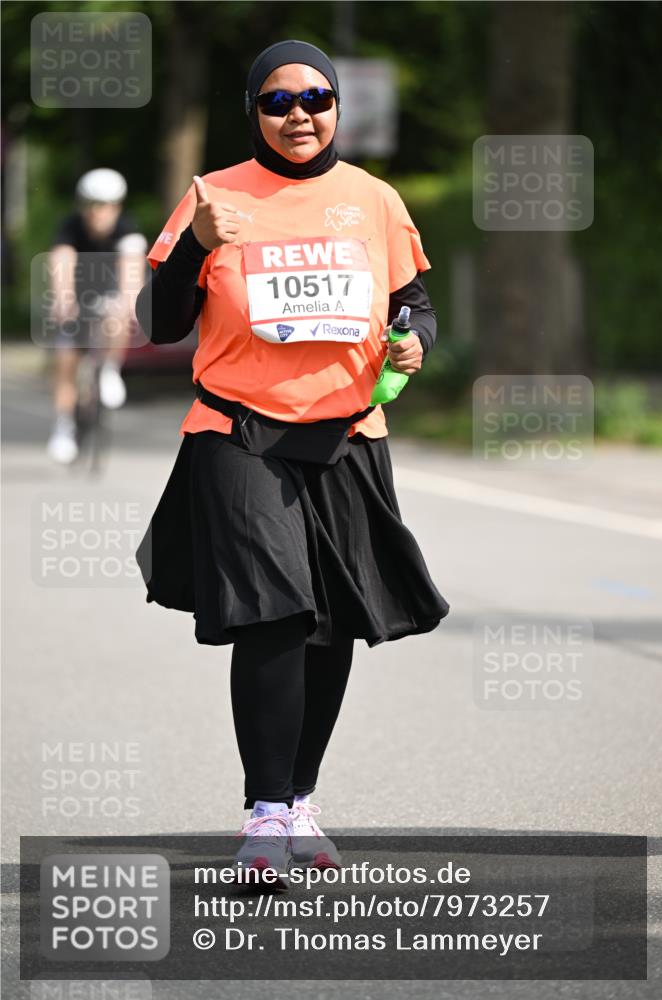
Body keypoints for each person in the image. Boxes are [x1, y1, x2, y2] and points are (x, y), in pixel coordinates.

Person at [134, 39, 450, 889]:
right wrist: (198, 245)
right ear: (254, 113)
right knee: (276, 610)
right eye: (278, 102)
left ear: (336, 106)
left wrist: (412, 341)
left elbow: (413, 302)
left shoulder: (372, 201)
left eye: (315, 97)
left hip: (348, 435)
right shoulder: (215, 197)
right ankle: (265, 814)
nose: (299, 115)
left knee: (330, 620)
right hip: (236, 432)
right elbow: (160, 322)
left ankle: (300, 798)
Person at [46, 168, 148, 464]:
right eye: (89, 204)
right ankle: (64, 426)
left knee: (118, 312)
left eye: (103, 205)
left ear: (116, 206)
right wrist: (62, 298)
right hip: (76, 301)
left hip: (109, 299)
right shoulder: (70, 226)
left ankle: (109, 369)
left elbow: (131, 273)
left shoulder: (127, 230)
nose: (96, 212)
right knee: (65, 362)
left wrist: (129, 302)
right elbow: (61, 261)